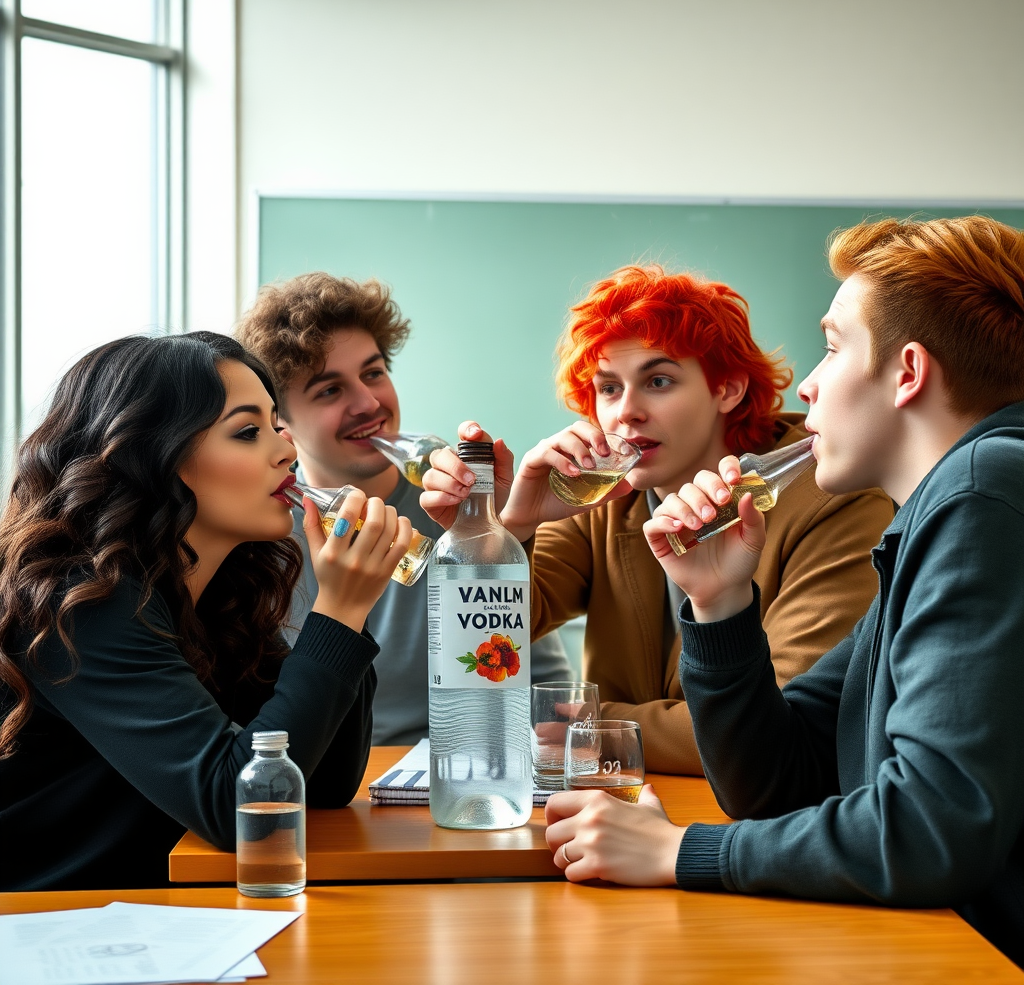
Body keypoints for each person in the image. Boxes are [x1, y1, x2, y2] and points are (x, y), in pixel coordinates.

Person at [542, 216, 1024, 968]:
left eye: (833, 348)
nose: (810, 382)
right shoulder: (942, 509)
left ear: (907, 373)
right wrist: (718, 606)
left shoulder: (981, 491)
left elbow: (933, 829)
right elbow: (776, 781)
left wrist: (680, 853)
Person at [422, 264, 894, 773]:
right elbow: (483, 647)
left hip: (757, 819)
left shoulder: (833, 494)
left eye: (659, 380)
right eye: (607, 388)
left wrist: (589, 726)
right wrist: (506, 528)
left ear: (728, 389)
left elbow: (777, 725)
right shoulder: (602, 496)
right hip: (620, 804)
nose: (627, 412)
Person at [0, 331, 410, 891]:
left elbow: (324, 782)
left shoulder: (218, 597)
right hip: (53, 931)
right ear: (156, 459)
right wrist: (339, 612)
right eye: (246, 432)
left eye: (275, 423)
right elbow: (237, 809)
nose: (286, 450)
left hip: (160, 919)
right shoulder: (84, 603)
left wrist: (348, 610)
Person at [236, 273, 573, 746]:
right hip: (329, 789)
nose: (368, 402)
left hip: (461, 774)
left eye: (373, 373)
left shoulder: (463, 512)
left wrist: (497, 535)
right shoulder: (262, 537)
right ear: (280, 424)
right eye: (329, 390)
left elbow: (547, 697)